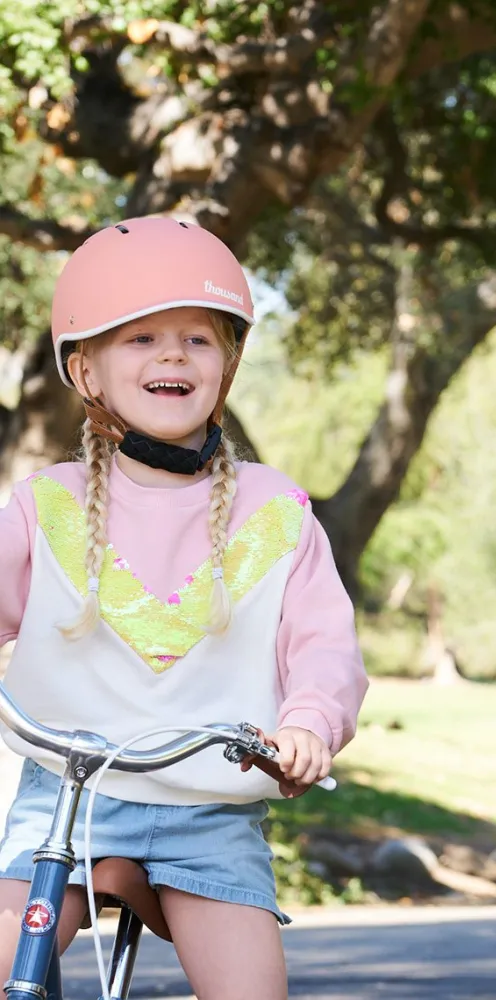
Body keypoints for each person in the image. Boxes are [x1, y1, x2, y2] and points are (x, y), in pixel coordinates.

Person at [0, 217, 369, 999]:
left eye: (197, 340)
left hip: (212, 810)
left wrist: (309, 723)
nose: (172, 355)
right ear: (87, 371)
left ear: (227, 366)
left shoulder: (277, 510)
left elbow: (324, 648)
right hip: (67, 799)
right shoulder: (44, 508)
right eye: (140, 339)